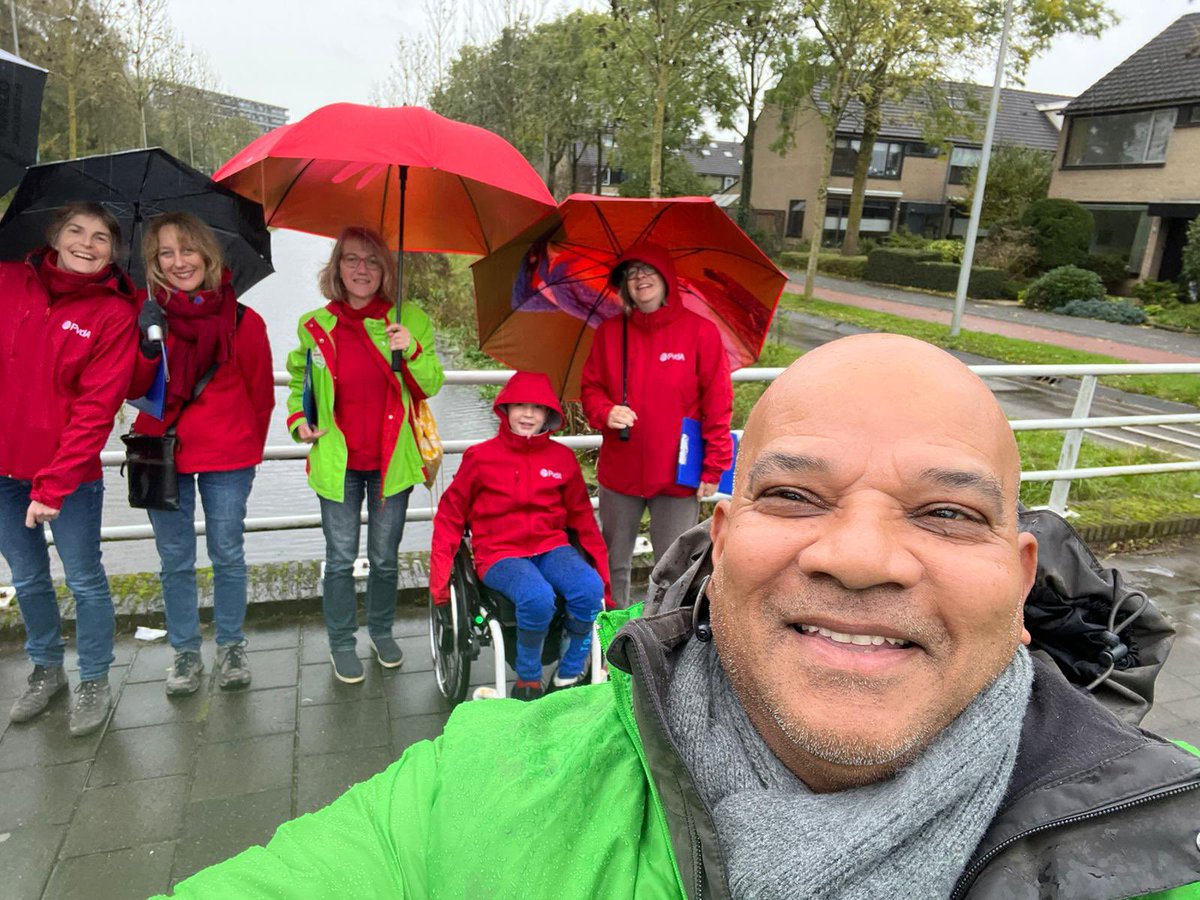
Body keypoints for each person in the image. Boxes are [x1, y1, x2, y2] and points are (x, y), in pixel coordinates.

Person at [154, 334, 1200, 899]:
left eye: (946, 511)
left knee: (571, 587)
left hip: (583, 525)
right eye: (793, 495)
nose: (861, 555)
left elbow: (591, 503)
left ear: (1023, 584)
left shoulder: (1170, 839)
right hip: (503, 550)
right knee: (530, 591)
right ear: (721, 539)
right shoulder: (476, 791)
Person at [0, 202, 138, 737]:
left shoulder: (114, 313)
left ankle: (95, 679)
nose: (87, 243)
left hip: (70, 479)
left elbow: (96, 408)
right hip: (3, 473)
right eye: (76, 231)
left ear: (113, 250)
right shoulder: (9, 281)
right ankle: (45, 669)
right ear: (54, 235)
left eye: (101, 236)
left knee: (84, 579)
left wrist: (54, 484)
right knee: (28, 577)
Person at [286, 226, 444, 685]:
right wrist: (298, 420)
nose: (361, 269)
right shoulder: (316, 325)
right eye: (352, 260)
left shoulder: (408, 320)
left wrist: (409, 349)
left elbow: (430, 384)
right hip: (338, 464)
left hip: (390, 465)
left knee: (385, 557)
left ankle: (380, 630)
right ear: (336, 268)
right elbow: (299, 382)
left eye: (372, 261)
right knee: (338, 559)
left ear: (386, 271)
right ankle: (340, 641)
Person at [128, 212, 274, 696]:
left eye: (188, 249)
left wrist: (250, 453)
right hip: (160, 452)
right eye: (165, 253)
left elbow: (261, 394)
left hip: (228, 455)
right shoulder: (145, 318)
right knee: (174, 560)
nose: (178, 261)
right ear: (153, 262)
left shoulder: (243, 321)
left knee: (227, 554)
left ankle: (231, 646)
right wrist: (147, 346)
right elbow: (126, 390)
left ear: (208, 255)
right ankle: (186, 654)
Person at [429, 370, 610, 700]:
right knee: (537, 597)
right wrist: (439, 579)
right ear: (506, 409)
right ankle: (527, 679)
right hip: (499, 553)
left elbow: (583, 521)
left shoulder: (562, 459)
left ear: (548, 416)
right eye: (520, 406)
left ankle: (568, 673)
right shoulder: (480, 458)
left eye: (537, 408)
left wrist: (606, 582)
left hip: (551, 546)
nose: (528, 414)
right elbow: (450, 515)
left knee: (588, 589)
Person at [581, 242, 733, 607]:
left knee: (677, 564)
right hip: (621, 472)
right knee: (613, 560)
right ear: (624, 286)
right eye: (632, 274)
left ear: (666, 278)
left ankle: (663, 636)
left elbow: (718, 405)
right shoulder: (609, 333)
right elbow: (590, 389)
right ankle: (613, 632)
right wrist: (605, 411)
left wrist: (714, 466)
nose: (640, 279)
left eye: (648, 270)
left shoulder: (700, 333)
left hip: (677, 475)